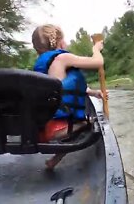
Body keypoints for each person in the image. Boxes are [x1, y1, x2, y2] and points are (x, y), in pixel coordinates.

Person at [32, 24, 105, 170]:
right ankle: (82, 126)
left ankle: (53, 161)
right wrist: (96, 49)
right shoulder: (62, 58)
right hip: (61, 129)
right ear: (59, 42)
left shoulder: (41, 65)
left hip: (41, 131)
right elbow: (98, 62)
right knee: (91, 122)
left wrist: (93, 92)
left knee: (76, 121)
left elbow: (63, 88)